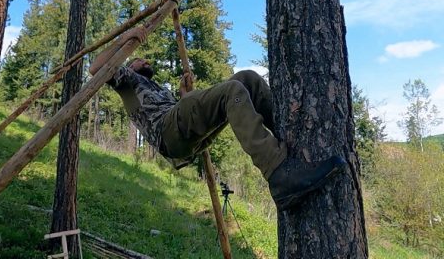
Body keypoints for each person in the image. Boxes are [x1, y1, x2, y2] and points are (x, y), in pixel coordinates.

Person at [90, 26, 345, 211]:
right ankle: (279, 173)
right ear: (129, 66)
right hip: (169, 134)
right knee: (232, 92)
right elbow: (95, 67)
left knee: (246, 79)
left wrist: (184, 96)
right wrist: (127, 38)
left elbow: (180, 116)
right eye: (139, 59)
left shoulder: (153, 86)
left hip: (181, 133)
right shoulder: (125, 80)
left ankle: (288, 133)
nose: (145, 60)